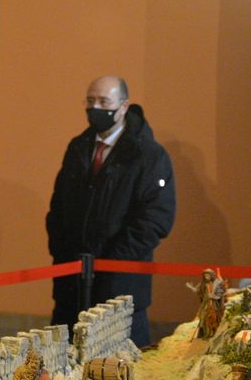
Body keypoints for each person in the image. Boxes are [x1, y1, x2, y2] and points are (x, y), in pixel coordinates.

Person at [46, 76, 176, 347]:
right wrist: (62, 252)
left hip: (121, 289)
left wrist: (111, 262)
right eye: (90, 100)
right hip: (72, 285)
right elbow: (58, 207)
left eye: (104, 102)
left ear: (124, 106)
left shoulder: (149, 155)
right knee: (63, 372)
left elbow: (155, 219)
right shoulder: (78, 148)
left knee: (119, 373)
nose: (96, 108)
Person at [186, 269, 227, 339]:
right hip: (205, 303)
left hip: (214, 304)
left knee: (212, 317)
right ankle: (205, 333)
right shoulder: (203, 283)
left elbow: (221, 293)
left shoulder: (217, 283)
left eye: (208, 275)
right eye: (205, 275)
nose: (206, 277)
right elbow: (198, 291)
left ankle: (212, 333)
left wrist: (213, 296)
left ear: (212, 275)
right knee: (203, 317)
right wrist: (192, 288)